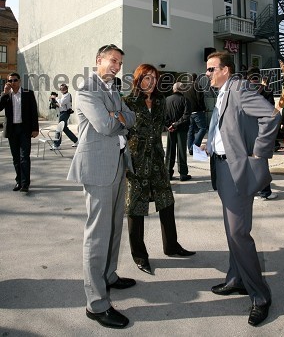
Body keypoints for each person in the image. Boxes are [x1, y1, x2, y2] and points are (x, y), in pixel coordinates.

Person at [205, 52, 280, 327]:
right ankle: (236, 279)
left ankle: (260, 296)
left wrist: (259, 153)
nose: (208, 74)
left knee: (238, 233)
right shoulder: (224, 91)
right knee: (230, 229)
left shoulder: (239, 88)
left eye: (212, 69)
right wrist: (212, 142)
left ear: (226, 69)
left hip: (236, 170)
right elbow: (230, 126)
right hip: (222, 167)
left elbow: (271, 116)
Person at [67, 44, 136, 329]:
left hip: (118, 164)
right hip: (97, 168)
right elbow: (106, 127)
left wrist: (117, 116)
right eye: (112, 61)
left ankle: (109, 276)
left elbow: (130, 120)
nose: (116, 66)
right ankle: (96, 303)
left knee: (114, 228)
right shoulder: (86, 90)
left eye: (119, 63)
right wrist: (118, 118)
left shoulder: (112, 90)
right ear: (98, 60)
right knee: (97, 234)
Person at [124, 64, 196, 276]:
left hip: (157, 158)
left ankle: (171, 245)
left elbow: (163, 124)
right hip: (136, 160)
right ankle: (140, 255)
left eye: (154, 78)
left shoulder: (160, 101)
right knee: (135, 208)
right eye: (147, 78)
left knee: (167, 202)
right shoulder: (127, 102)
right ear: (138, 79)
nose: (152, 82)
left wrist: (173, 126)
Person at [0, 72, 39, 193]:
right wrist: (4, 93)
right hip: (12, 130)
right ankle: (19, 180)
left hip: (24, 129)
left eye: (15, 80)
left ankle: (25, 184)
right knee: (16, 158)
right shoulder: (6, 95)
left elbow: (33, 112)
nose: (12, 83)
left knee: (24, 157)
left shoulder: (28, 93)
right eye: (10, 81)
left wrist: (35, 129)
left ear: (20, 81)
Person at [247, 67, 278, 200]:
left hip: (248, 130)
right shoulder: (266, 90)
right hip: (261, 130)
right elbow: (271, 110)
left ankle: (252, 189)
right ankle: (265, 192)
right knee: (261, 162)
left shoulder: (244, 91)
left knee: (249, 161)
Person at [165, 82, 191, 181]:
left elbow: (164, 115)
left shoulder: (167, 100)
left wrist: (169, 125)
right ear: (182, 90)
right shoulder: (185, 100)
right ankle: (183, 173)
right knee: (181, 151)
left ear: (174, 89)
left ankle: (168, 172)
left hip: (171, 129)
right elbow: (186, 116)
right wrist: (176, 124)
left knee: (170, 151)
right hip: (182, 129)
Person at [184, 73, 207, 155]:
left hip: (189, 112)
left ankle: (190, 148)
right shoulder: (197, 86)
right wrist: (203, 108)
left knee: (190, 130)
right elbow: (200, 98)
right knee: (203, 128)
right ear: (196, 78)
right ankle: (193, 147)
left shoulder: (185, 88)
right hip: (197, 111)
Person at [51, 84, 78, 149]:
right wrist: (53, 102)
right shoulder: (63, 95)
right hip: (62, 113)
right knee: (64, 128)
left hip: (65, 113)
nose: (62, 90)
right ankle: (76, 141)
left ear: (66, 89)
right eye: (60, 89)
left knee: (59, 128)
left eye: (63, 89)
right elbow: (60, 104)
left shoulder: (67, 95)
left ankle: (56, 144)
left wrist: (55, 98)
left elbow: (62, 102)